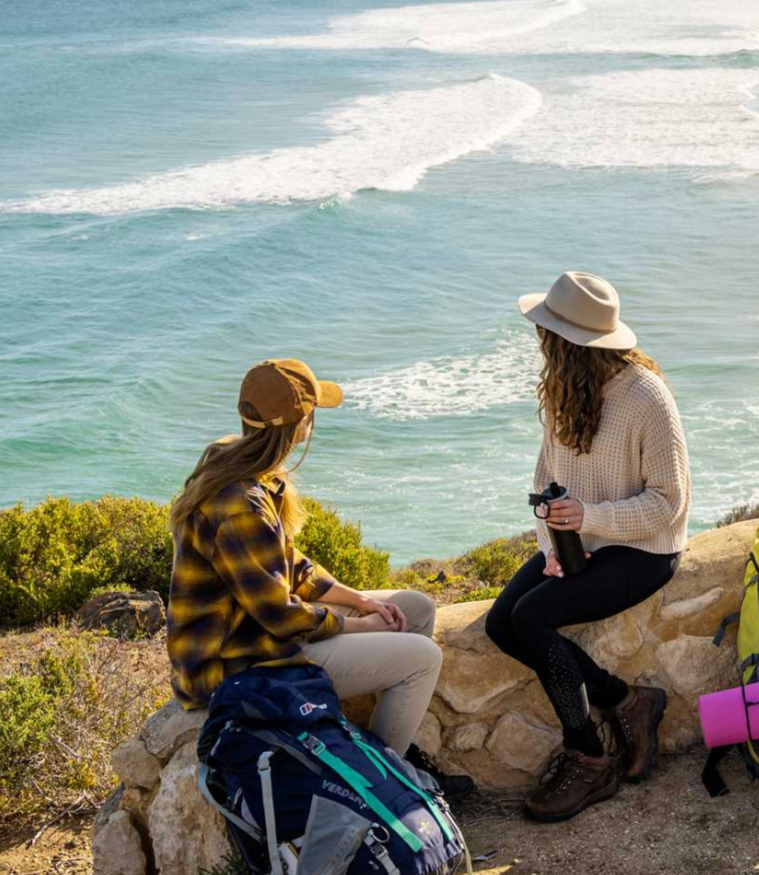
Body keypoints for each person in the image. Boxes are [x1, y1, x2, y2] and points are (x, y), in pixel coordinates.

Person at [167, 357, 472, 799]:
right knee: (422, 658)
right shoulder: (240, 505)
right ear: (300, 425)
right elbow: (281, 616)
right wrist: (360, 625)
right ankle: (381, 786)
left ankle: (379, 753)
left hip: (255, 634)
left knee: (416, 608)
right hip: (238, 662)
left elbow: (289, 563)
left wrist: (360, 602)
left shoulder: (237, 463)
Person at [485, 271, 690, 822]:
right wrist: (550, 545)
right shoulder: (562, 389)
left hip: (645, 549)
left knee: (532, 619)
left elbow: (668, 503)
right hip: (579, 541)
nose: (538, 338)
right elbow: (545, 481)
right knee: (500, 624)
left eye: (545, 330)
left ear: (566, 341)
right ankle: (626, 700)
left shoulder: (646, 397)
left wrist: (591, 516)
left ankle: (589, 757)